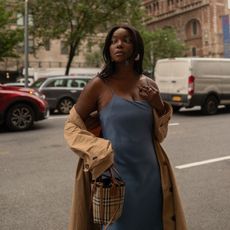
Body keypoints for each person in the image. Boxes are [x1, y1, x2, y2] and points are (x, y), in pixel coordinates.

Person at [64, 24, 187, 230]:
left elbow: (159, 135)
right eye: (113, 41)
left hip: (151, 174)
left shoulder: (149, 85)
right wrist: (98, 152)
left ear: (136, 49)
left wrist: (158, 104)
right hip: (114, 176)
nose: (118, 44)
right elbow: (72, 126)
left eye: (126, 40)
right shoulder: (98, 85)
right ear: (108, 49)